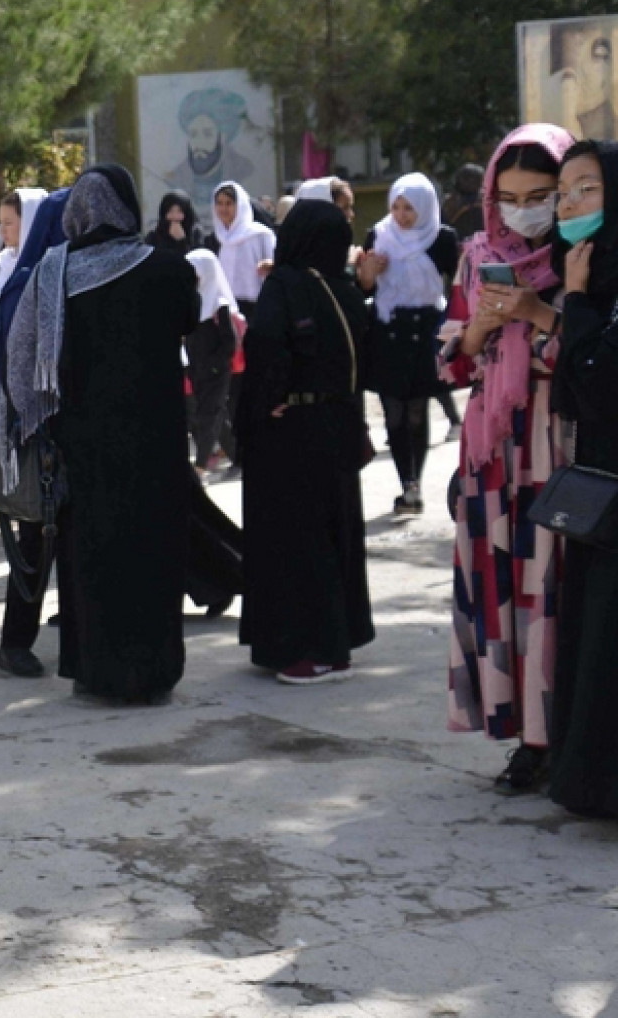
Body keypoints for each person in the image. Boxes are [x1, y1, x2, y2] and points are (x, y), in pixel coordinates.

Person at [0, 166, 199, 705]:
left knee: (92, 553)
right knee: (152, 550)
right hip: (157, 440)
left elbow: (21, 362)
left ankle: (96, 670)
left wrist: (38, 422)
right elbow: (190, 319)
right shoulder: (168, 268)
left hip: (83, 444)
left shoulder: (53, 274)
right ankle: (154, 671)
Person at [441, 124, 574, 793]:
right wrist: (484, 326)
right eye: (512, 195)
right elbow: (451, 359)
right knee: (501, 594)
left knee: (550, 594)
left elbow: (588, 358)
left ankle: (565, 736)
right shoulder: (477, 255)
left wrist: (537, 312)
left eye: (542, 195)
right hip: (493, 454)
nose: (526, 208)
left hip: (558, 447)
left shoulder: (586, 256)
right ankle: (523, 738)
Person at [236, 201, 375, 684]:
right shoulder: (344, 289)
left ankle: (309, 649)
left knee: (296, 540)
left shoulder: (286, 286)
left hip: (291, 431)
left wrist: (265, 401)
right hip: (337, 423)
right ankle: (337, 641)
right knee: (335, 533)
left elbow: (265, 347)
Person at [548, 137, 618, 818]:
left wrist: (572, 301)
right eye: (563, 191)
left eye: (587, 188)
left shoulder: (593, 287)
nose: (570, 202)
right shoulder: (595, 276)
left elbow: (598, 381)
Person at [0, 188, 71, 679]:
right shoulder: (24, 280)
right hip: (35, 432)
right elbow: (12, 366)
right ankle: (15, 642)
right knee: (34, 541)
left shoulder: (67, 275)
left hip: (65, 429)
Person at [358, 173, 460, 514]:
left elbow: (458, 286)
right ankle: (406, 482)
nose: (402, 215)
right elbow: (365, 289)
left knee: (416, 410)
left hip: (425, 329)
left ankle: (414, 483)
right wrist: (368, 275)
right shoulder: (379, 234)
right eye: (397, 207)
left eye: (410, 209)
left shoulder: (442, 238)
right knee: (393, 410)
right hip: (388, 330)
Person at [185, 249, 240, 474]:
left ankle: (199, 467)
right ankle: (239, 456)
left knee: (210, 414)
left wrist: (216, 365)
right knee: (213, 415)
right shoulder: (191, 302)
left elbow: (229, 343)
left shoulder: (219, 304)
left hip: (217, 372)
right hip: (196, 370)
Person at [210, 181, 277, 322]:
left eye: (229, 203)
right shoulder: (215, 238)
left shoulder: (260, 234)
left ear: (239, 205)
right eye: (219, 203)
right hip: (227, 307)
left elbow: (277, 265)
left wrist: (270, 265)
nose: (223, 208)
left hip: (257, 306)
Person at [0, 189, 49, 285]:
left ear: (29, 222)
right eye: (1, 223)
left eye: (8, 223)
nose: (1, 230)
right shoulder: (3, 262)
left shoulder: (45, 268)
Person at [147, 190, 207, 255]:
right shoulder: (154, 235)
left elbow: (196, 262)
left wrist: (181, 241)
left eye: (180, 211)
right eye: (170, 211)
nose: (175, 216)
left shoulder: (195, 233)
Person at [446, 163, 487, 241]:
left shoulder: (486, 201)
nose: (470, 182)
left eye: (475, 180)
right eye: (466, 178)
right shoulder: (451, 202)